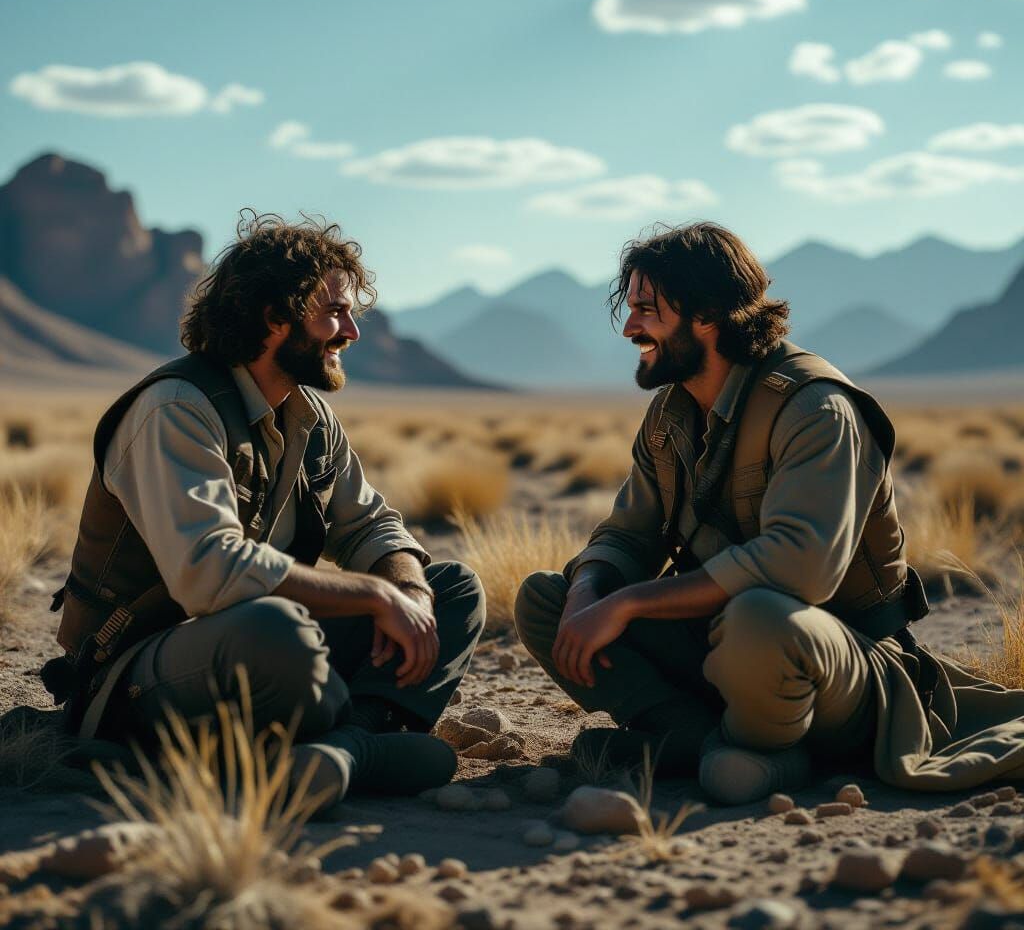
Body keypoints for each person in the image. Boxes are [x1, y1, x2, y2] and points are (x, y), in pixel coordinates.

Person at [516, 221, 1024, 804]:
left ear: (705, 316)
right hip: (721, 646)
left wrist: (628, 602)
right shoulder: (669, 415)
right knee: (544, 600)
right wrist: (587, 600)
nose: (631, 327)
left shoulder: (815, 408)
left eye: (648, 310)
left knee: (760, 618)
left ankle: (768, 753)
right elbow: (625, 537)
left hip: (835, 662)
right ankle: (691, 735)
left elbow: (802, 569)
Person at [43, 212, 485, 809]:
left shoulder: (307, 414)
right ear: (275, 317)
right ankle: (360, 742)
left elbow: (370, 524)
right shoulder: (175, 408)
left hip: (249, 647)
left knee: (451, 586)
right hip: (138, 670)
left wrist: (409, 591)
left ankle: (341, 750)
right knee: (281, 632)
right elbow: (210, 572)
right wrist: (375, 599)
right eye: (334, 313)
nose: (351, 331)